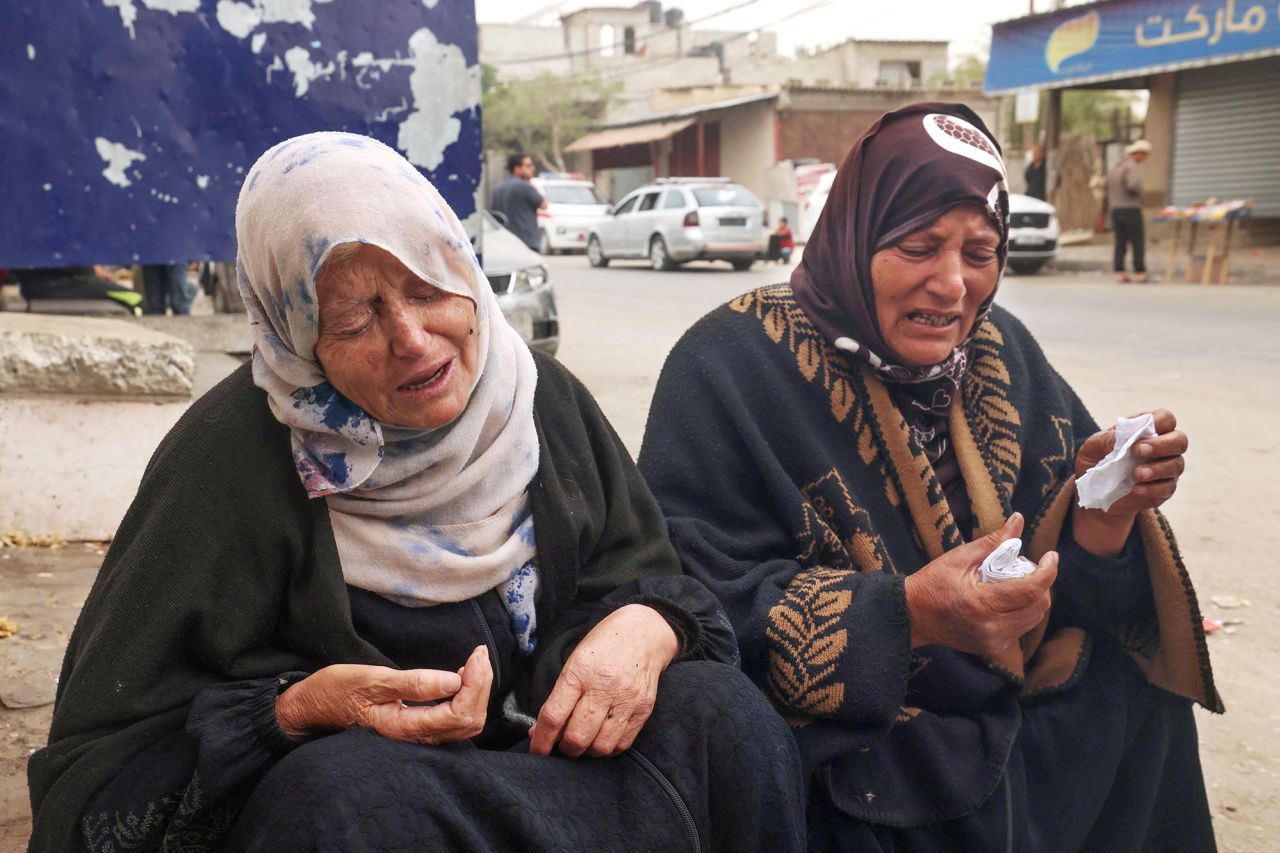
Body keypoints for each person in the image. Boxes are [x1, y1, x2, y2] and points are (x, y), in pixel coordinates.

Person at [27, 133, 805, 852]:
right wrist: (294, 711)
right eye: (356, 316)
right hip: (399, 816)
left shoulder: (540, 402)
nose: (411, 338)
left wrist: (650, 622)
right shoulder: (228, 460)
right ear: (296, 336)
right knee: (341, 795)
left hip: (566, 777)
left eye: (428, 285)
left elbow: (650, 575)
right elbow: (95, 775)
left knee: (723, 717)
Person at [639, 104, 1220, 852]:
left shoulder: (1000, 349)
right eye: (918, 246)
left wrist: (1103, 512)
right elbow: (689, 601)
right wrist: (907, 613)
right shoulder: (729, 364)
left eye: (980, 252)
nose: (952, 285)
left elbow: (1074, 593)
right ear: (854, 232)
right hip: (859, 725)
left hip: (1006, 696)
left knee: (1137, 699)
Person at [1107, 139, 1151, 283]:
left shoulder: (1115, 167)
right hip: (1130, 209)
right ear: (1138, 154)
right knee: (1137, 241)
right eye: (1144, 155)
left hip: (1115, 209)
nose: (1145, 159)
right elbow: (1132, 185)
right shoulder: (1131, 167)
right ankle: (1140, 272)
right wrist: (1142, 191)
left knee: (1120, 242)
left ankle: (1119, 272)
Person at [491, 152, 548, 253]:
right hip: (526, 244)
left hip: (505, 244)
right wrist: (530, 182)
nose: (533, 168)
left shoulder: (499, 188)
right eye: (528, 166)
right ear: (517, 169)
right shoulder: (524, 186)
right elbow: (544, 204)